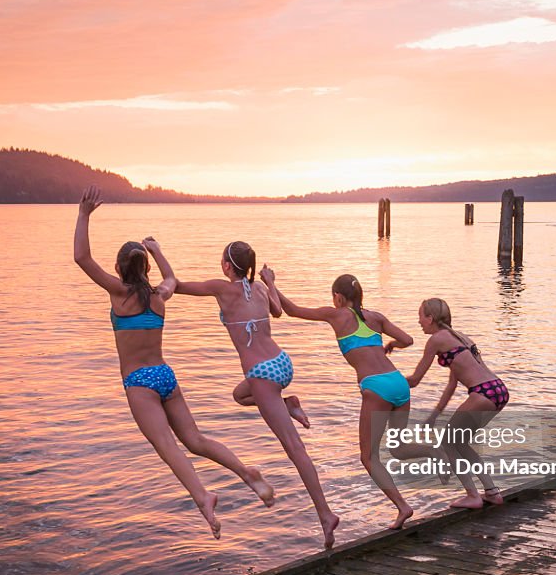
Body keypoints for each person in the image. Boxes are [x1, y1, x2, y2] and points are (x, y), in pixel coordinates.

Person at [73, 187, 274, 539]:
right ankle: (246, 473)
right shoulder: (159, 295)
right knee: (195, 439)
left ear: (119, 268)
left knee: (166, 445)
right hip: (166, 377)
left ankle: (203, 496)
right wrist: (158, 250)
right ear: (147, 267)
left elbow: (82, 259)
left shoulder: (119, 293)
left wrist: (84, 214)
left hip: (139, 382)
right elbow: (171, 279)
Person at [173, 241, 340, 548]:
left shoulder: (221, 288)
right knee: (239, 395)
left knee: (295, 448)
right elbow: (278, 312)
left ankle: (325, 514)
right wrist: (271, 281)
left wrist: (155, 259)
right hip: (281, 363)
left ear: (226, 265)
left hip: (262, 374)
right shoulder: (261, 289)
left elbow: (177, 286)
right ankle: (288, 404)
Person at [261, 270, 417, 529]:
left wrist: (270, 283)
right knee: (400, 449)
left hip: (376, 387)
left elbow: (291, 310)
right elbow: (408, 340)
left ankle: (403, 507)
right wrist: (391, 346)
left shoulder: (336, 314)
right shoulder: (376, 317)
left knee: (368, 457)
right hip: (398, 383)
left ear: (338, 297)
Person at [406, 298, 508, 509]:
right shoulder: (460, 337)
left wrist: (383, 378)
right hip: (498, 390)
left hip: (483, 392)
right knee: (458, 442)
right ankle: (491, 492)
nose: (419, 321)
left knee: (447, 441)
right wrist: (433, 416)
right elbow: (452, 384)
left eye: (420, 316)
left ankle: (473, 495)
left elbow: (415, 380)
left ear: (430, 318)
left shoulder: (436, 339)